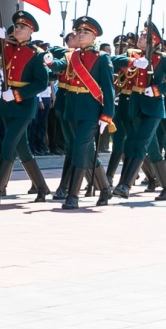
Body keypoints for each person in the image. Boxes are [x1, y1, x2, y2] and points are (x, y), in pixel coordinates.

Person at [0, 11, 53, 205]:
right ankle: (41, 187)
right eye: (16, 26)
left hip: (23, 104)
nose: (17, 29)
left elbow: (41, 83)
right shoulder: (6, 46)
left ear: (31, 30)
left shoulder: (37, 54)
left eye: (22, 27)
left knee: (8, 145)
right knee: (22, 149)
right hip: (8, 105)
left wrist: (16, 94)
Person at [51, 16, 117, 210]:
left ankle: (73, 196)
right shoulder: (71, 55)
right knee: (85, 152)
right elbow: (59, 67)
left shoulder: (102, 58)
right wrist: (48, 61)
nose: (80, 35)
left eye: (85, 32)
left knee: (80, 149)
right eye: (79, 32)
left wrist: (107, 115)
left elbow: (108, 88)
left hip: (90, 110)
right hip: (72, 109)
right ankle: (105, 188)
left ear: (94, 36)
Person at [110, 21, 166, 200]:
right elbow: (112, 61)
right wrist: (132, 61)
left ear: (153, 41)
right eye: (141, 35)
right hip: (136, 105)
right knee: (139, 146)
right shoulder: (133, 55)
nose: (140, 38)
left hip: (153, 108)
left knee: (139, 145)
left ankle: (125, 185)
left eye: (143, 36)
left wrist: (157, 89)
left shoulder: (162, 59)